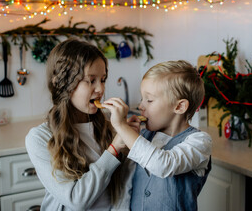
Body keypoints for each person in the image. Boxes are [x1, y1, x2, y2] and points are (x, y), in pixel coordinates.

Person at [25, 38, 129, 211]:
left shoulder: (110, 128)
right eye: (91, 80)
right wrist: (114, 149)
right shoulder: (40, 138)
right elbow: (75, 200)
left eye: (103, 80)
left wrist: (129, 135)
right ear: (61, 82)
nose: (100, 89)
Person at [103, 60, 212, 211]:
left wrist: (121, 127)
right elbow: (126, 182)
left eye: (149, 100)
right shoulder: (145, 135)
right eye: (142, 99)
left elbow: (163, 165)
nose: (141, 106)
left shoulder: (199, 142)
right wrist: (126, 141)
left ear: (179, 106)